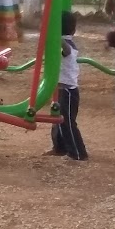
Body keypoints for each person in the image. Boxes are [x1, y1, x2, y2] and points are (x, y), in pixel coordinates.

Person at [47, 11, 88, 161]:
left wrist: (54, 34)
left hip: (68, 90)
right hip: (59, 89)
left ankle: (77, 153)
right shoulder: (62, 42)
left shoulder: (67, 43)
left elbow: (66, 50)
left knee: (67, 121)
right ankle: (59, 148)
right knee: (57, 119)